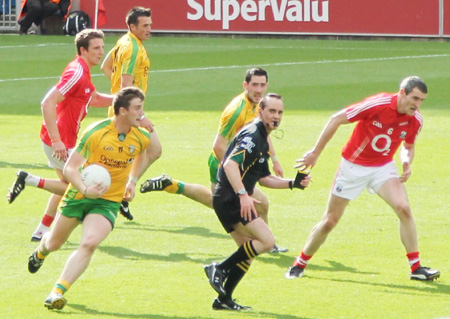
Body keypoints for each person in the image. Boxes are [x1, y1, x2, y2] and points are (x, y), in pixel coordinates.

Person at [285, 76, 440, 281]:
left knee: (403, 207)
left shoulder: (416, 120)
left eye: (421, 100)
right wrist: (315, 152)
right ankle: (300, 263)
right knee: (330, 220)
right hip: (353, 167)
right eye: (415, 98)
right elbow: (336, 119)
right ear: (402, 93)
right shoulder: (378, 104)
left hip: (382, 167)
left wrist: (406, 162)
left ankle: (416, 268)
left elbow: (408, 147)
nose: (417, 104)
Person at [27, 87, 155, 311]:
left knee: (89, 243)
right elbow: (70, 168)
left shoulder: (140, 136)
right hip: (79, 195)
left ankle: (57, 291)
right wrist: (85, 189)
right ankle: (40, 252)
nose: (142, 114)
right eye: (137, 108)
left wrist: (132, 181)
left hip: (108, 201)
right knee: (54, 243)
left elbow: (144, 153)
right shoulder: (96, 133)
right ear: (122, 111)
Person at [140, 68, 287, 253]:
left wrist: (274, 159)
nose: (259, 89)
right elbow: (219, 146)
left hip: (231, 164)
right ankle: (266, 244)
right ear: (245, 85)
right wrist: (238, 175)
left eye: (262, 85)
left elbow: (263, 132)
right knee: (254, 203)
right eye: (254, 85)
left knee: (218, 202)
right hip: (221, 163)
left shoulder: (259, 106)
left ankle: (172, 185)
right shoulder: (236, 110)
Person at [203, 94, 310, 311]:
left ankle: (224, 300)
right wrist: (243, 195)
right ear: (260, 112)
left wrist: (292, 183)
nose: (276, 116)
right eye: (271, 111)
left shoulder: (262, 137)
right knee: (267, 241)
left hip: (230, 198)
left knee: (248, 252)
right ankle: (218, 268)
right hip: (232, 199)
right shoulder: (253, 136)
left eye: (280, 112)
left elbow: (263, 178)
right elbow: (230, 165)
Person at [7, 29, 114, 242]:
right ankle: (30, 180)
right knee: (75, 186)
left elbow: (93, 99)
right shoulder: (76, 72)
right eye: (96, 48)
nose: (101, 52)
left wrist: (121, 100)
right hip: (60, 141)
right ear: (83, 50)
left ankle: (41, 230)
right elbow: (47, 102)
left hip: (64, 140)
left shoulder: (83, 72)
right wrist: (57, 141)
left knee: (65, 184)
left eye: (102, 47)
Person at [100, 6, 161, 220]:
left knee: (148, 150)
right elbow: (126, 86)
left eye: (150, 24)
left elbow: (105, 66)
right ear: (132, 26)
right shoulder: (132, 49)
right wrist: (139, 115)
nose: (149, 29)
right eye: (145, 26)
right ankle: (116, 195)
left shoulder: (125, 41)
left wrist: (118, 93)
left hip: (126, 109)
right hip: (127, 113)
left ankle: (123, 193)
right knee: (144, 151)